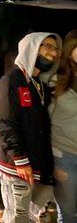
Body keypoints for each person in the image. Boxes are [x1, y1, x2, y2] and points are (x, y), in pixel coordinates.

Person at [0, 33, 61, 223]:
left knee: (33, 216)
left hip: (37, 164)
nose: (53, 53)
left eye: (56, 49)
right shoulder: (11, 81)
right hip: (17, 166)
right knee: (17, 217)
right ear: (31, 47)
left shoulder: (39, 85)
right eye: (47, 46)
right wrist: (20, 159)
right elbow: (5, 124)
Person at [51, 30, 77, 222]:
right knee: (67, 211)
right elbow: (41, 122)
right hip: (65, 156)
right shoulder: (55, 81)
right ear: (70, 52)